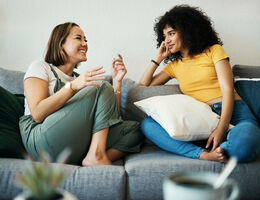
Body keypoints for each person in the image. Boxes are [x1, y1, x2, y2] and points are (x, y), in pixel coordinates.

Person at [139, 5, 260, 163]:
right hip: (202, 120)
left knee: (245, 144)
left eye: (171, 33)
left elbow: (228, 90)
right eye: (164, 36)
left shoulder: (214, 51)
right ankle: (203, 154)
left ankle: (223, 148)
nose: (167, 40)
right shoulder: (174, 66)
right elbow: (143, 85)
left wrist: (221, 129)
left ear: (188, 30)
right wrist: (158, 58)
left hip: (236, 114)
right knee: (148, 124)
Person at [19, 22, 143, 166]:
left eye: (86, 40)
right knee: (101, 86)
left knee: (134, 130)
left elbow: (110, 117)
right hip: (41, 139)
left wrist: (117, 82)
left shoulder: (80, 79)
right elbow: (37, 113)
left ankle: (91, 156)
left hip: (73, 141)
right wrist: (73, 86)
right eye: (79, 38)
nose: (85, 44)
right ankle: (97, 155)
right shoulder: (40, 67)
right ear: (60, 44)